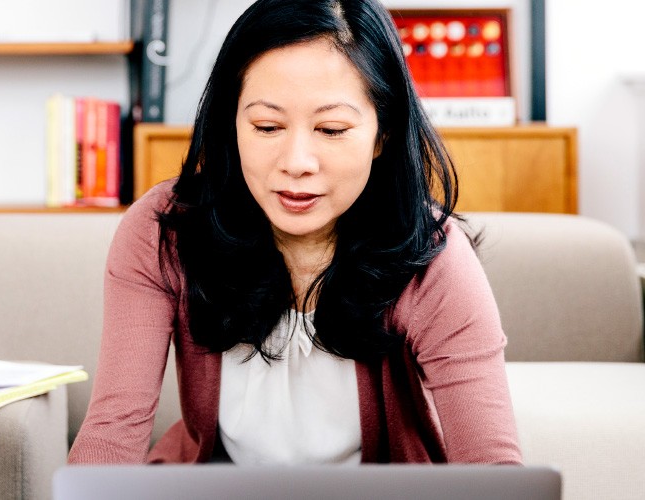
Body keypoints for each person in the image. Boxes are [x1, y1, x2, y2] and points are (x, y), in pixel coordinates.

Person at [69, 0, 522, 465]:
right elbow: (114, 429)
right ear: (232, 124)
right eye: (267, 126)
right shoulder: (164, 232)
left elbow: (492, 467)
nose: (296, 163)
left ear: (382, 134)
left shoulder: (431, 255)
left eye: (331, 128)